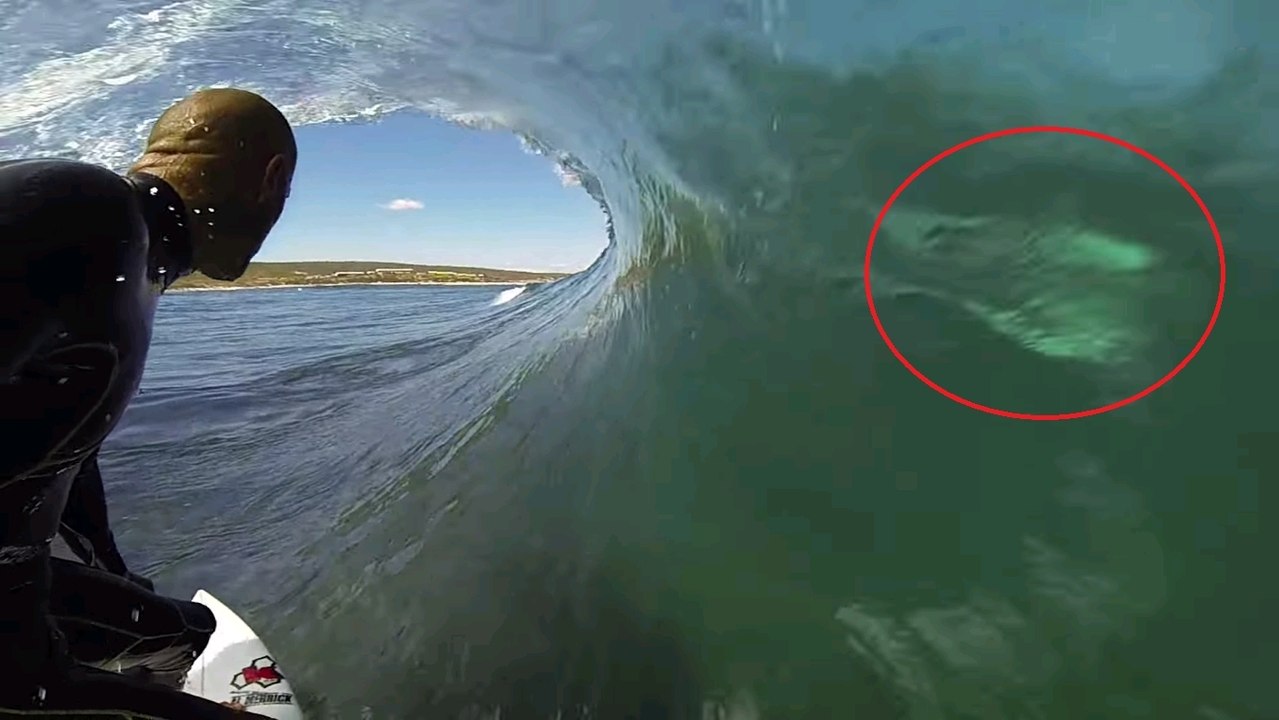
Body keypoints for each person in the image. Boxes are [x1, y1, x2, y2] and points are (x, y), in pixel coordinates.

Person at [1, 88, 296, 718]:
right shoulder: (84, 211)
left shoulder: (125, 252)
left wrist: (109, 566)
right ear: (271, 181)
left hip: (14, 576)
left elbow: (66, 448)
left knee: (186, 632)